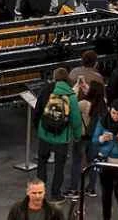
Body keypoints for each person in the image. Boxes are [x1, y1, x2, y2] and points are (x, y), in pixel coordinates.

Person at [33, 67, 82, 203]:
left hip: (44, 134)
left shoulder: (46, 90)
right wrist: (77, 136)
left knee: (42, 162)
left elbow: (37, 111)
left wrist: (38, 129)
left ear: (54, 77)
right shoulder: (70, 95)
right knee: (59, 166)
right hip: (61, 137)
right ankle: (55, 194)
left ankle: (39, 193)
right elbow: (76, 120)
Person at [67, 80, 106, 198]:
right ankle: (91, 188)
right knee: (93, 162)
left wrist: (76, 88)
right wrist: (86, 88)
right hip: (96, 138)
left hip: (82, 137)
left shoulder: (84, 104)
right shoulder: (103, 104)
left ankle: (73, 189)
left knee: (77, 162)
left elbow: (70, 105)